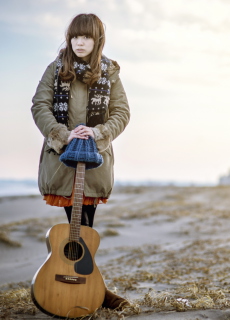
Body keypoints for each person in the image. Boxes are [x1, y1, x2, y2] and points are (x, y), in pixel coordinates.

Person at [31, 13, 130, 310]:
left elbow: (122, 113)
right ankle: (96, 290)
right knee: (76, 226)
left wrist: (98, 132)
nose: (79, 42)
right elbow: (40, 105)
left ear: (96, 39)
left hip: (95, 161)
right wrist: (62, 134)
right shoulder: (55, 69)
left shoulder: (109, 72)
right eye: (74, 36)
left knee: (86, 225)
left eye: (85, 36)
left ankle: (92, 289)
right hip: (61, 160)